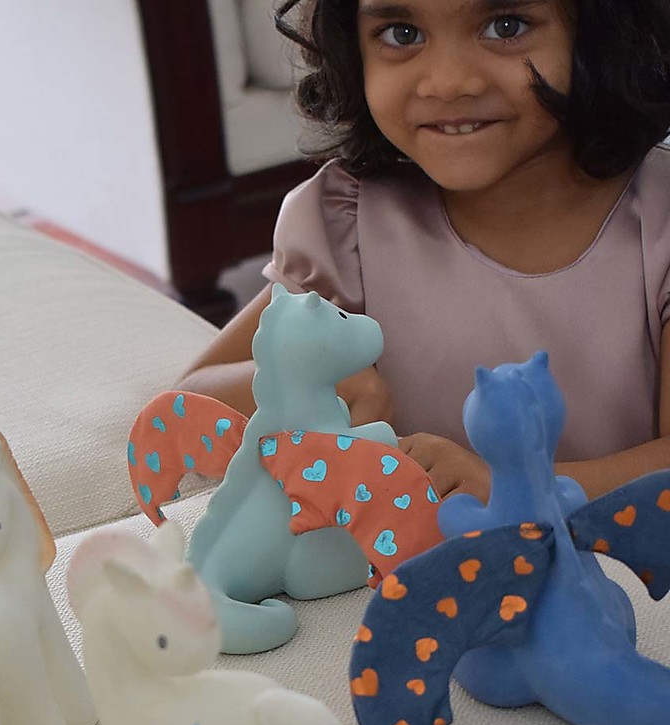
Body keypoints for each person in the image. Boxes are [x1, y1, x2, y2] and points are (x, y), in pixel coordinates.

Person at [176, 0, 670, 501]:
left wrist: (518, 490)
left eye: (506, 27)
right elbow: (185, 404)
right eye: (402, 34)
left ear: (601, 28)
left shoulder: (660, 221)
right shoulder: (347, 226)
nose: (448, 83)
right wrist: (305, 379)